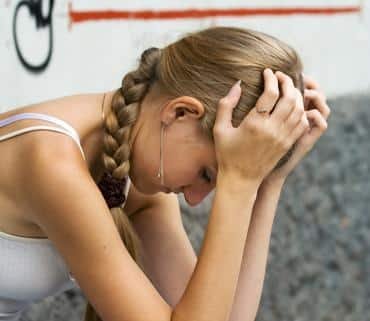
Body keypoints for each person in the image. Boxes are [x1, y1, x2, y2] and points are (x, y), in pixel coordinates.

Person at [0, 26, 330, 321]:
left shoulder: (136, 181)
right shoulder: (50, 162)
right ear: (179, 112)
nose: (195, 198)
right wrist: (238, 183)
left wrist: (268, 181)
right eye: (206, 173)